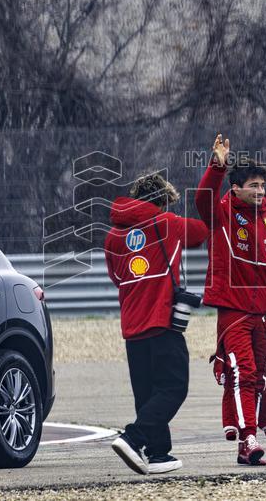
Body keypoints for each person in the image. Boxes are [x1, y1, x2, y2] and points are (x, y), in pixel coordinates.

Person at [195, 134, 266, 466]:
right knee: (243, 372)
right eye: (253, 185)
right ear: (236, 188)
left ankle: (244, 449)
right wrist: (217, 166)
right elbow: (202, 199)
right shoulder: (221, 213)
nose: (259, 191)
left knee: (259, 376)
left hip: (265, 313)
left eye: (262, 186)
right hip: (234, 312)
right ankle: (249, 437)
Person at [104, 173, 209, 475]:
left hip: (132, 326)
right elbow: (203, 232)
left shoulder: (112, 236)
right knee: (174, 388)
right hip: (162, 322)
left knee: (148, 393)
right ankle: (132, 438)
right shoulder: (168, 224)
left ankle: (159, 454)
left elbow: (117, 279)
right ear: (162, 201)